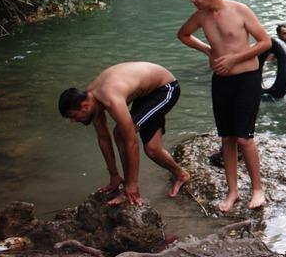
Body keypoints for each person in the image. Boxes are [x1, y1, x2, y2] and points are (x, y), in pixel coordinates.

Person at [177, 0, 271, 211]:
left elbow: (265, 42)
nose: (193, 0)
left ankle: (257, 190)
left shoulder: (240, 10)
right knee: (227, 138)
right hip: (221, 81)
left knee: (243, 138)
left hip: (247, 79)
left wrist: (233, 59)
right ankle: (233, 192)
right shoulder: (201, 16)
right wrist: (208, 50)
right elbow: (183, 35)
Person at [58, 62, 190, 206]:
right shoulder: (92, 99)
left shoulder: (111, 98)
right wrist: (114, 175)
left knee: (121, 134)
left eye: (73, 116)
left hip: (165, 88)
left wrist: (131, 185)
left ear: (84, 106)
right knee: (152, 150)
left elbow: (131, 142)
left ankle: (129, 189)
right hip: (146, 92)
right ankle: (181, 175)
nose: (73, 121)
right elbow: (103, 138)